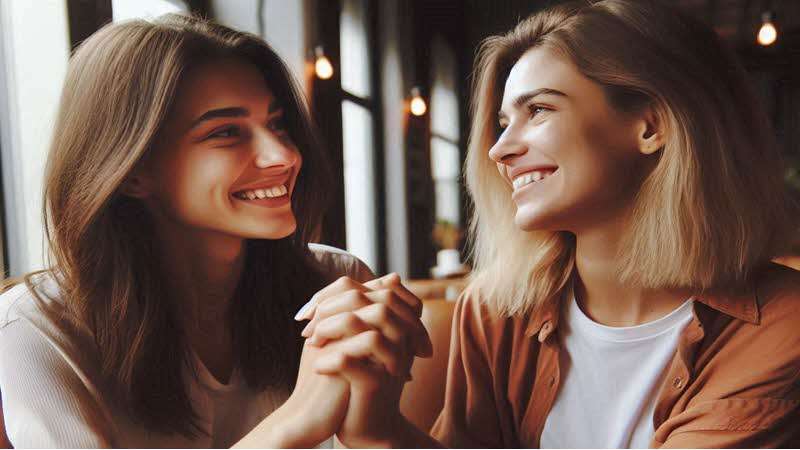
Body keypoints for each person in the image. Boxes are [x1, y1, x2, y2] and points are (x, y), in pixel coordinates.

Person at [300, 0, 800, 447]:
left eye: (538, 110)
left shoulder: (783, 322)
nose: (499, 150)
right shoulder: (495, 311)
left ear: (650, 126)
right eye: (502, 124)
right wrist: (377, 431)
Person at [0, 14, 429, 448]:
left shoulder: (337, 283)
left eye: (277, 123)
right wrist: (294, 421)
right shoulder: (36, 328)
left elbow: (379, 436)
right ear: (132, 170)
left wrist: (378, 432)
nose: (284, 155)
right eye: (226, 132)